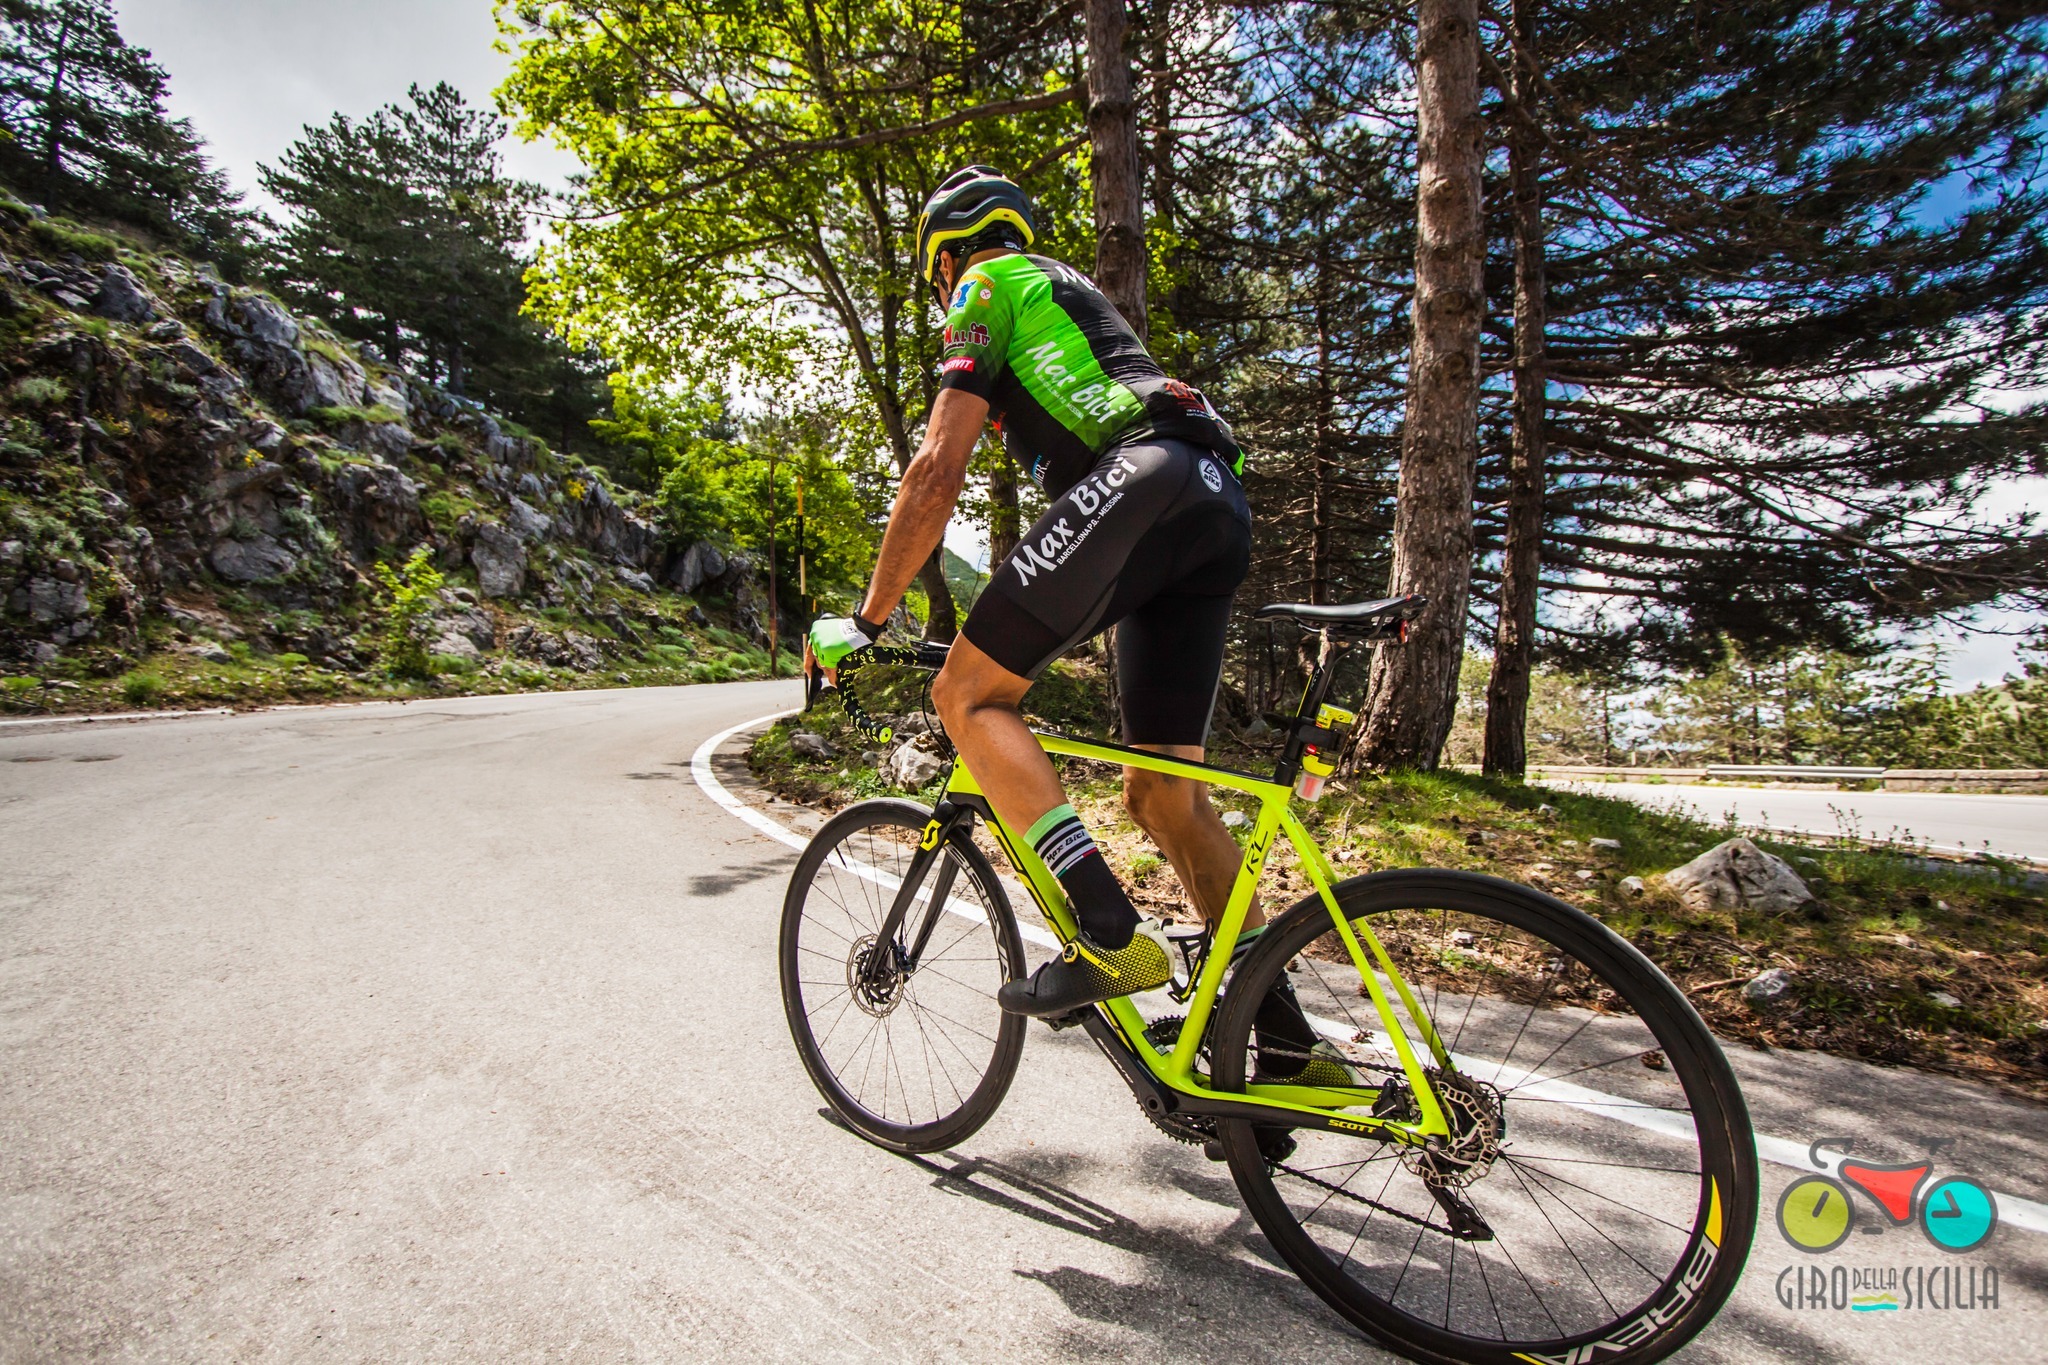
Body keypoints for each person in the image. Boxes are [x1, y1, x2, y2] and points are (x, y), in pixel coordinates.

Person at [807, 167, 1308, 1058]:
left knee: (967, 694)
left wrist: (871, 618)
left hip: (1143, 484)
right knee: (1164, 796)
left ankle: (1110, 933)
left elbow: (935, 467)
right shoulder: (1068, 287)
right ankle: (1285, 1038)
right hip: (1208, 497)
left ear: (945, 255)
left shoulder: (987, 284)